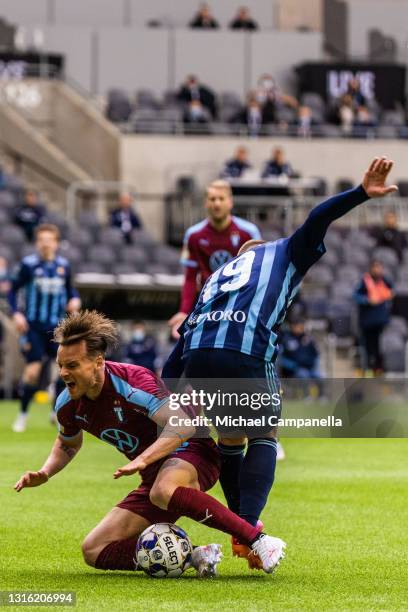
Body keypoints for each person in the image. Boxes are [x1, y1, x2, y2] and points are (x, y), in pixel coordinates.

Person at [163, 156, 398, 566]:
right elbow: (317, 218)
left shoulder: (218, 278)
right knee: (266, 434)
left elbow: (181, 342)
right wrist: (361, 193)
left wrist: (169, 393)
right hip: (244, 350)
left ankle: (241, 528)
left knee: (232, 438)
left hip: (198, 355)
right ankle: (251, 532)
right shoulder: (282, 253)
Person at [14, 310, 286, 576]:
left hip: (193, 450)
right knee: (94, 549)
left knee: (163, 490)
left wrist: (144, 459)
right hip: (155, 475)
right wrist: (46, 472)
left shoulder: (132, 382)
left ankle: (258, 540)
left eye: (72, 365)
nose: (63, 373)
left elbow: (182, 425)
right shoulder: (67, 404)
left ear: (98, 362)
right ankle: (193, 556)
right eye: (61, 365)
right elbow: (67, 443)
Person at [8, 224, 81, 432]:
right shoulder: (28, 265)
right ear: (37, 242)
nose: (45, 243)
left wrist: (75, 300)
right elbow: (12, 291)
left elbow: (70, 291)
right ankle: (22, 415)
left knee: (63, 372)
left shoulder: (63, 266)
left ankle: (55, 412)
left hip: (59, 328)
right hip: (34, 327)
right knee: (32, 372)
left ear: (56, 243)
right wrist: (17, 313)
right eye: (41, 239)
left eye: (50, 239)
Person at [168, 179, 261, 339]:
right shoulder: (194, 235)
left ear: (230, 202)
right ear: (206, 202)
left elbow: (258, 275)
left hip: (240, 304)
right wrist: (184, 311)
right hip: (208, 305)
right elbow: (190, 278)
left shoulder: (249, 233)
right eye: (212, 199)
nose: (216, 203)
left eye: (221, 198)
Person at [353, 260, 394, 374]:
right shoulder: (363, 281)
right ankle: (368, 369)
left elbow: (391, 290)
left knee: (380, 348)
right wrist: (367, 300)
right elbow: (355, 296)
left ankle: (379, 369)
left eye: (379, 267)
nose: (377, 270)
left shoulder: (385, 280)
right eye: (375, 267)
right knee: (367, 347)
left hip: (381, 322)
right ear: (370, 269)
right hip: (367, 321)